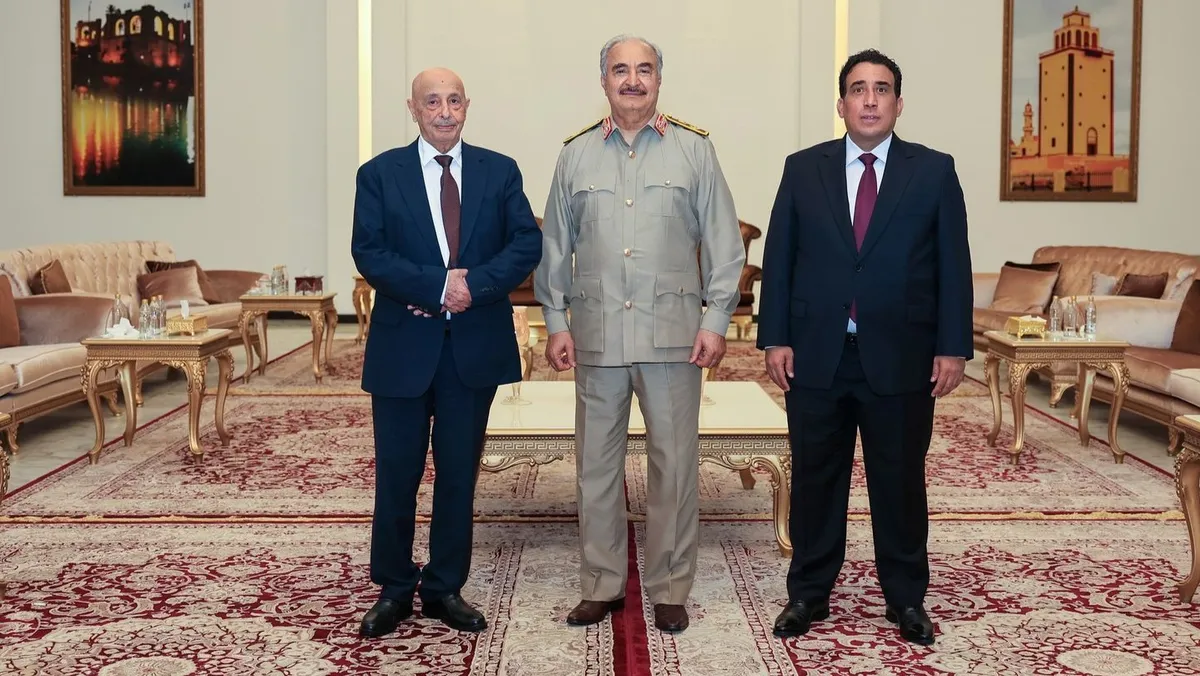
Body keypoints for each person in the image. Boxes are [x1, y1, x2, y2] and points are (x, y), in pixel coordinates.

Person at [755, 48, 973, 646]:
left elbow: (953, 264)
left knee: (899, 483)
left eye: (881, 89)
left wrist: (953, 347)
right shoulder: (804, 169)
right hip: (816, 355)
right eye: (858, 89)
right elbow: (780, 257)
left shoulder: (934, 171)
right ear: (841, 103)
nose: (870, 99)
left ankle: (906, 599)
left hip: (902, 356)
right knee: (815, 480)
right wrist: (775, 336)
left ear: (899, 104)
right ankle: (808, 594)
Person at [534, 34, 746, 633]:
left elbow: (724, 245)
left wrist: (715, 320)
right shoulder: (575, 155)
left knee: (674, 466)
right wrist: (555, 321)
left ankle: (671, 585)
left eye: (644, 70)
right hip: (597, 335)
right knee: (594, 468)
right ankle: (601, 584)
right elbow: (555, 249)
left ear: (659, 79)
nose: (632, 80)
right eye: (621, 70)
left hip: (673, 337)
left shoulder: (694, 150)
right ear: (603, 80)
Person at [350, 67, 542, 638]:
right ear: (412, 109)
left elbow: (526, 243)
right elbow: (370, 252)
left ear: (467, 106)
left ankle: (444, 587)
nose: (444, 111)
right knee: (398, 474)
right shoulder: (378, 174)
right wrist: (437, 287)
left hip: (472, 350)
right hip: (402, 350)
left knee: (458, 475)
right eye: (432, 101)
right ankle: (393, 587)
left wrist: (471, 287)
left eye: (453, 100)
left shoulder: (499, 171)